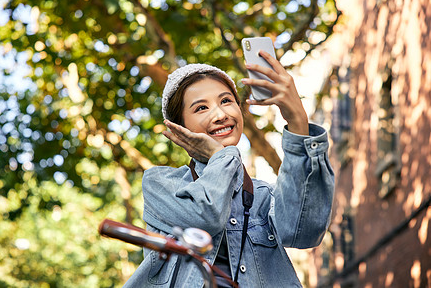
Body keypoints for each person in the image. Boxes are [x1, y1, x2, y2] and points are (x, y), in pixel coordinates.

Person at [123, 50, 334, 287]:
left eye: (226, 101)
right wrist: (222, 156)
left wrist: (297, 123)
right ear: (179, 129)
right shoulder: (161, 184)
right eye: (201, 108)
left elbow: (304, 233)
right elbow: (207, 217)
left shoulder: (266, 196)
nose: (221, 114)